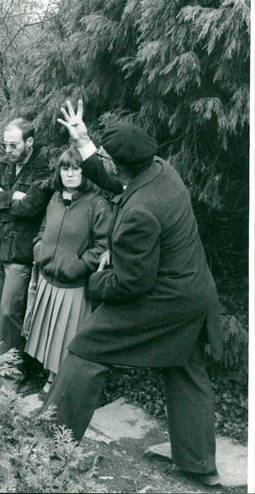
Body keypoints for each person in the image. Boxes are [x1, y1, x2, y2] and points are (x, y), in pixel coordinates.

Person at [44, 100, 222, 487]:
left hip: (165, 298)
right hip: (195, 293)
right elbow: (116, 179)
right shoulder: (161, 170)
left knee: (85, 349)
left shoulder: (140, 212)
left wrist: (93, 281)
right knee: (186, 368)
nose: (103, 162)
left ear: (122, 165)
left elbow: (131, 284)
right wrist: (86, 141)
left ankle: (48, 451)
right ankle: (200, 465)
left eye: (106, 157)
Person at [24, 147, 111, 393]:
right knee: (48, 334)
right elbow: (42, 230)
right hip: (47, 278)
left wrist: (77, 266)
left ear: (86, 173)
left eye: (76, 169)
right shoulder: (54, 199)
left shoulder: (97, 204)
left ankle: (59, 385)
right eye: (65, 168)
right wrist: (39, 251)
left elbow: (102, 247)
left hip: (73, 285)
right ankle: (49, 379)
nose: (70, 174)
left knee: (65, 337)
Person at [0, 118, 52, 384]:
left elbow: (32, 207)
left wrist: (3, 201)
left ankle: (14, 371)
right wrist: (12, 198)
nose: (7, 150)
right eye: (5, 145)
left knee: (11, 311)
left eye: (13, 145)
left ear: (29, 142)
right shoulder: (5, 164)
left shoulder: (42, 170)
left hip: (20, 253)